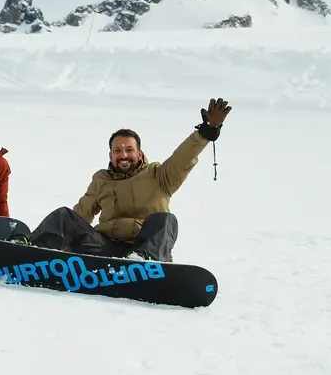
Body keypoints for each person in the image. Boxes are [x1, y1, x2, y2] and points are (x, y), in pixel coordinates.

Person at [12, 98, 232, 262]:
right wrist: (67, 238)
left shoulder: (160, 175)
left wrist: (207, 131)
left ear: (139, 153)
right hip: (104, 248)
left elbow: (183, 157)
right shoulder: (102, 179)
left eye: (129, 150)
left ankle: (142, 262)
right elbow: (80, 216)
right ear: (110, 155)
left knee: (166, 219)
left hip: (143, 249)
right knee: (64, 215)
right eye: (117, 150)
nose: (123, 155)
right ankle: (30, 253)